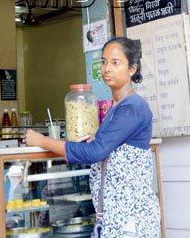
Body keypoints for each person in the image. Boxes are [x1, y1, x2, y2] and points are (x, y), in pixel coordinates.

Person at [25, 37, 160, 237]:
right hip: (115, 217)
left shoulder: (133, 107)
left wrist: (42, 141)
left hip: (131, 219)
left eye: (115, 63)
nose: (107, 68)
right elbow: (105, 147)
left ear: (132, 68)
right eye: (104, 62)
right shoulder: (117, 106)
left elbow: (95, 152)